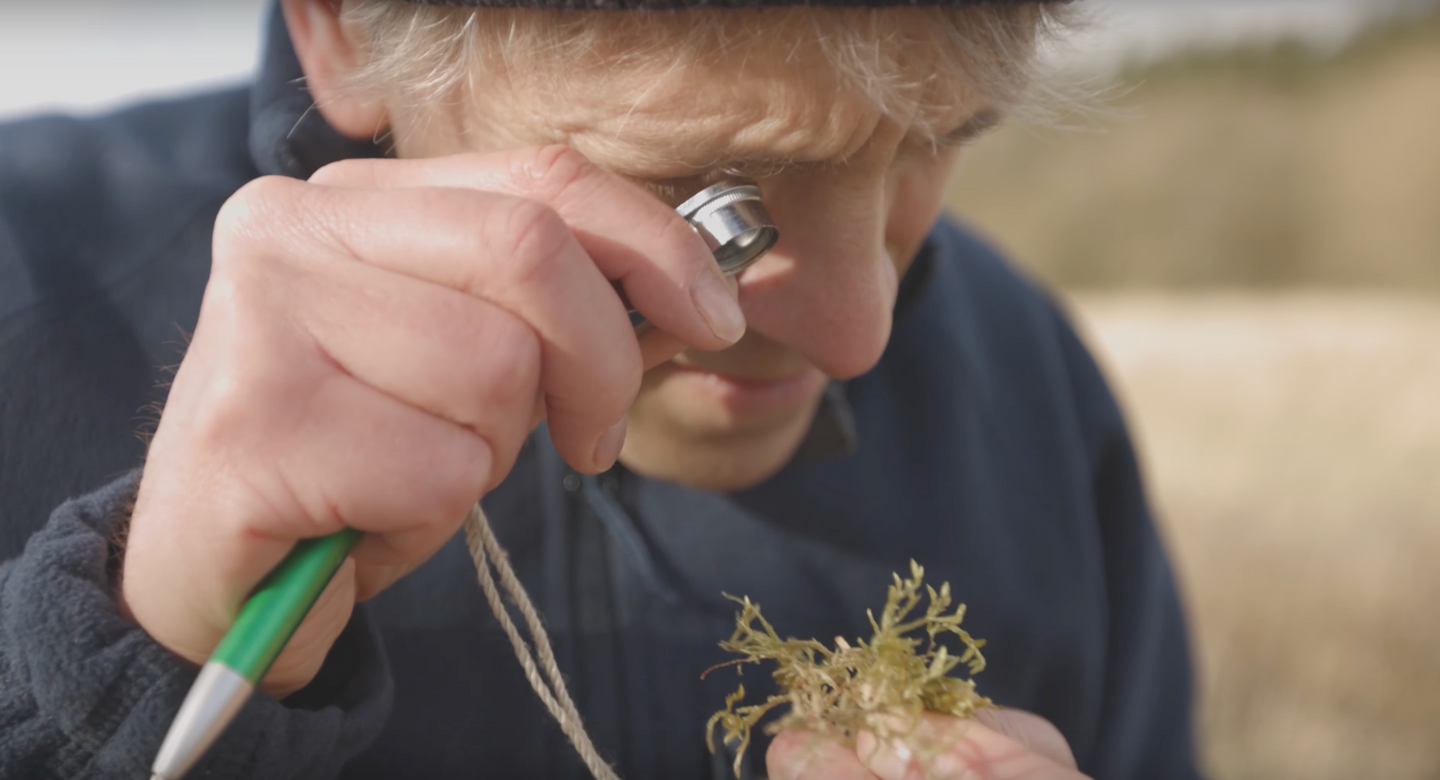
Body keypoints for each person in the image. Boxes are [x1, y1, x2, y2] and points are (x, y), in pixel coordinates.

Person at [0, 0, 1204, 778]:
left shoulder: (1029, 378)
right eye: (711, 191)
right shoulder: (23, 292)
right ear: (349, 28)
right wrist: (105, 690)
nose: (859, 335)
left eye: (937, 139)